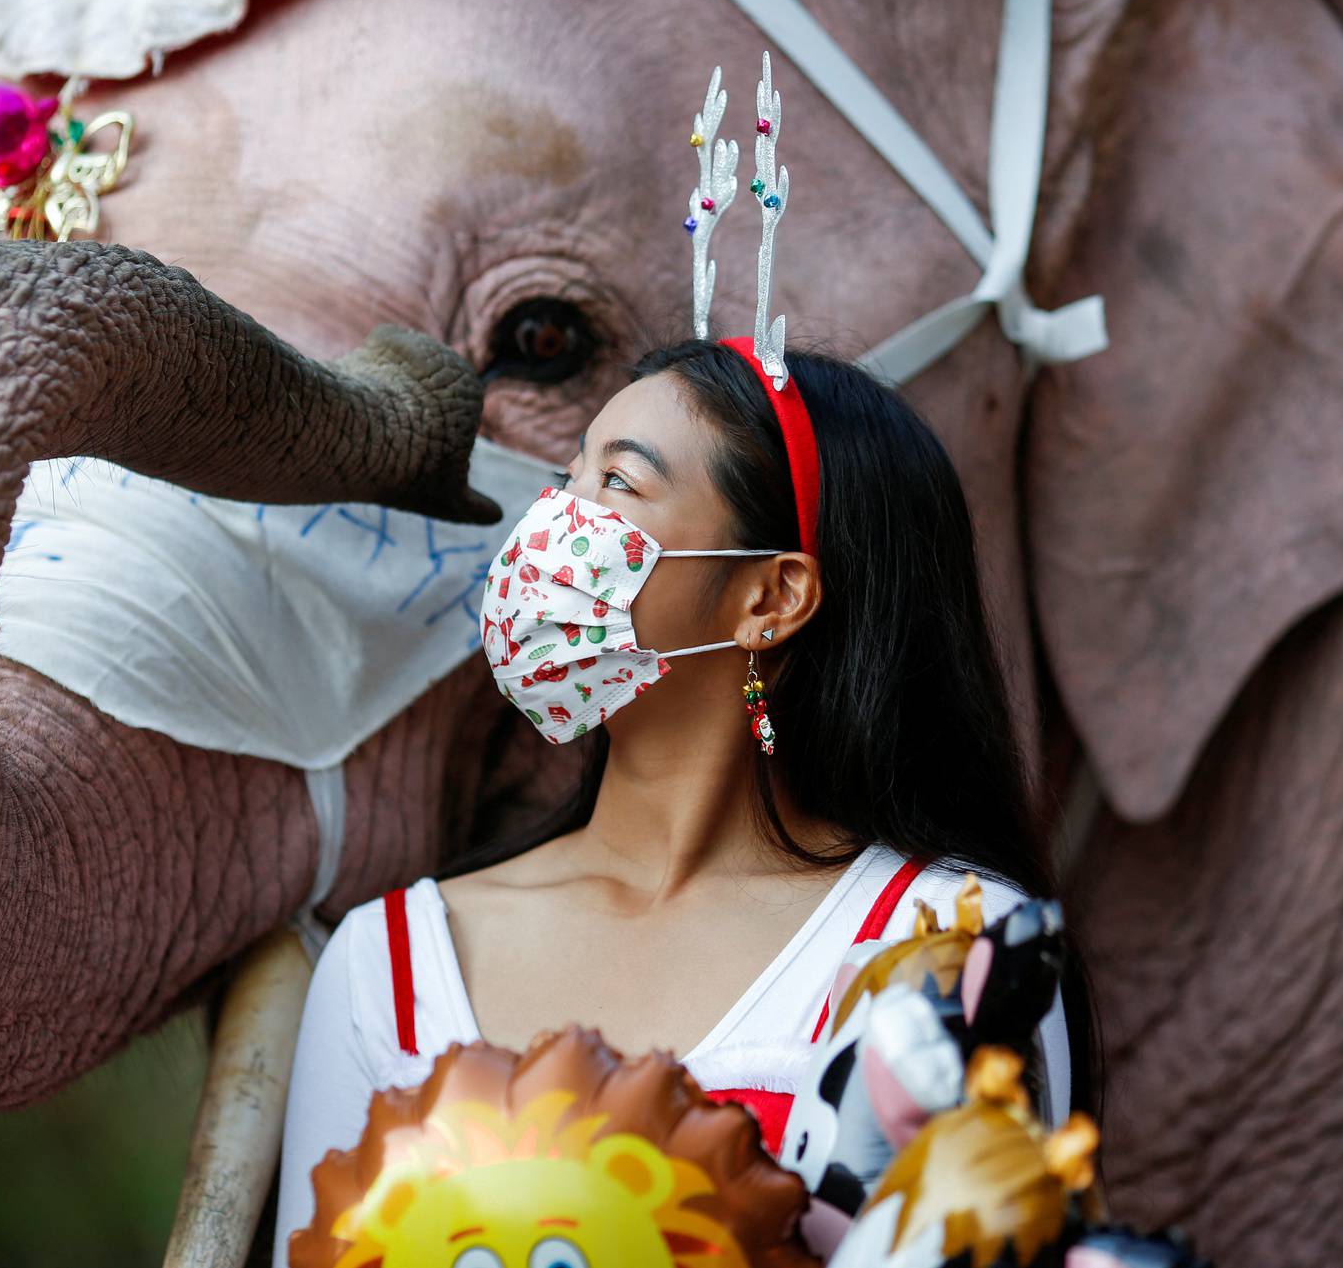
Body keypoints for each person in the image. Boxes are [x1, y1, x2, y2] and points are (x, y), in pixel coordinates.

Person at [271, 333, 1099, 1255]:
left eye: (617, 485)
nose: (551, 526)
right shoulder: (390, 960)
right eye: (565, 479)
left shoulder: (946, 948)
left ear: (770, 596)